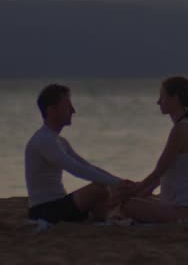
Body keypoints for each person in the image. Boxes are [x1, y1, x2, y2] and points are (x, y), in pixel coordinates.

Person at [24, 83, 130, 223]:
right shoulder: (44, 140)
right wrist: (116, 183)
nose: (73, 111)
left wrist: (121, 182)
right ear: (52, 110)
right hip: (44, 210)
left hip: (59, 204)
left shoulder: (60, 141)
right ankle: (109, 218)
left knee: (103, 190)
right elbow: (76, 170)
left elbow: (87, 167)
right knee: (98, 189)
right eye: (67, 106)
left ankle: (109, 219)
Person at [119, 75, 188, 222]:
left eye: (162, 96)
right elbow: (160, 178)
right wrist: (140, 192)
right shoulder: (185, 127)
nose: (158, 102)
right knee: (132, 201)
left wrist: (134, 190)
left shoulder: (181, 129)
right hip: (184, 208)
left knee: (129, 206)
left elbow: (157, 173)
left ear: (175, 98)